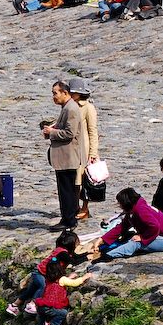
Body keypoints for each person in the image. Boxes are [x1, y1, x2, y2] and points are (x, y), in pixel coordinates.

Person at [44, 79, 87, 231]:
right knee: (64, 189)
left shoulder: (71, 109)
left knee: (67, 190)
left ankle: (69, 220)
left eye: (55, 93)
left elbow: (70, 133)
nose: (53, 96)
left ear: (65, 93)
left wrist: (52, 132)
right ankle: (66, 218)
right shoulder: (66, 107)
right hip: (63, 157)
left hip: (68, 157)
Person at [24, 254, 90, 325]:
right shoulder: (62, 280)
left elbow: (63, 281)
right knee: (63, 313)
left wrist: (69, 277)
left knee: (40, 324)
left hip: (41, 306)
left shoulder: (47, 280)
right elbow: (74, 283)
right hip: (49, 307)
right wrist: (85, 277)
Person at [93, 187, 163, 258]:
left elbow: (155, 226)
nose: (119, 206)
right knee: (129, 237)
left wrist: (142, 237)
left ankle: (108, 255)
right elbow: (121, 227)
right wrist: (102, 239)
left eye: (120, 204)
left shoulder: (141, 210)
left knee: (135, 242)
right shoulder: (133, 211)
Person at [8, 230, 80, 315]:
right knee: (44, 286)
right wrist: (87, 257)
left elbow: (76, 257)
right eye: (76, 243)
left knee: (30, 291)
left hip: (41, 273)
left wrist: (87, 254)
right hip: (40, 273)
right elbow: (74, 261)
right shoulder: (63, 253)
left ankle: (14, 305)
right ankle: (32, 304)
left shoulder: (63, 251)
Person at [71, 78, 100, 220]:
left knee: (85, 182)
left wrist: (93, 153)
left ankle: (84, 207)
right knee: (74, 181)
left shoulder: (88, 108)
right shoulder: (71, 106)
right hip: (73, 149)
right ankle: (74, 206)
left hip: (84, 150)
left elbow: (93, 131)